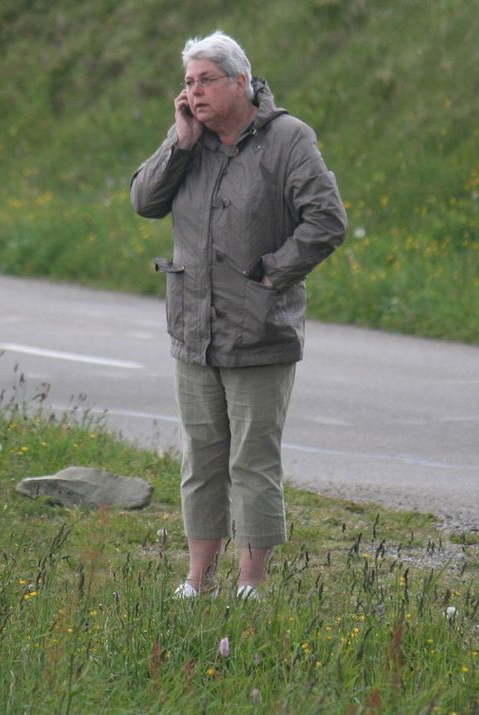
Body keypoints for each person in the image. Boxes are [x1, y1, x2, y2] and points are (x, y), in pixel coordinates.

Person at [130, 30, 347, 599]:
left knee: (252, 463)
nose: (193, 92)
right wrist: (180, 143)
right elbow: (144, 201)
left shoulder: (288, 139)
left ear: (241, 82)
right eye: (187, 83)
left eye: (205, 81)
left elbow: (327, 220)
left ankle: (251, 584)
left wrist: (275, 272)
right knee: (200, 461)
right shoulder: (189, 139)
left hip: (259, 332)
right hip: (193, 330)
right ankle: (198, 580)